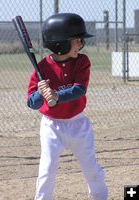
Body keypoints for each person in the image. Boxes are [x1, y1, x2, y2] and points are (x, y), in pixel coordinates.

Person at [27, 13, 108, 200]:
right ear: (60, 44)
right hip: (51, 126)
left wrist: (56, 95)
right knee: (47, 169)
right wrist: (40, 92)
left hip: (78, 124)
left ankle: (99, 196)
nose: (81, 44)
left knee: (91, 167)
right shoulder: (41, 69)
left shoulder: (82, 62)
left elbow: (79, 90)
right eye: (76, 40)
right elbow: (32, 102)